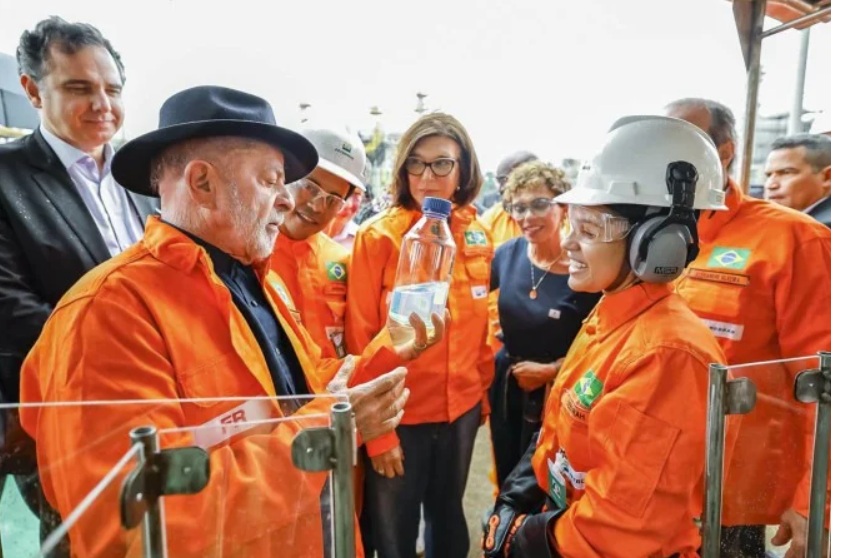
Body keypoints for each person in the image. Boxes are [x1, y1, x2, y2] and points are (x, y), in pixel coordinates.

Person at [19, 85, 445, 557]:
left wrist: (392, 347)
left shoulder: (258, 281)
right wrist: (332, 431)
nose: (286, 201)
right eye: (270, 180)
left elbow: (309, 388)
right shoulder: (108, 313)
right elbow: (135, 524)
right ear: (202, 183)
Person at [481, 115, 728, 558]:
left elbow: (620, 526)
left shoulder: (667, 355)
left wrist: (527, 539)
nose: (569, 244)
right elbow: (563, 430)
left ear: (659, 244)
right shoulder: (612, 314)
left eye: (590, 231)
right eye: (573, 225)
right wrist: (524, 489)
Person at [0, 16, 157, 548]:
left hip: (152, 407)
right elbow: (9, 305)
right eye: (78, 88)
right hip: (54, 412)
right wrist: (121, 356)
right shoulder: (6, 177)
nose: (102, 105)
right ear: (32, 91)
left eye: (112, 89)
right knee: (78, 541)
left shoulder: (144, 178)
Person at [666, 98, 831, 557]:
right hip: (649, 481)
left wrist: (815, 502)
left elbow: (824, 380)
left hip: (731, 498)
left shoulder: (794, 239)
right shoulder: (639, 231)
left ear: (723, 152)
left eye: (678, 138)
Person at [345, 112, 494, 558]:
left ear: (463, 169)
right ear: (403, 169)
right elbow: (360, 340)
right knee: (395, 533)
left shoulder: (478, 235)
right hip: (399, 415)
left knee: (449, 523)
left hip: (460, 413)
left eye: (442, 163)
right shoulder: (379, 237)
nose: (428, 177)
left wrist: (480, 399)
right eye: (416, 163)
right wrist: (379, 435)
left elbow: (480, 329)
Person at [488, 160, 601, 489]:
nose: (527, 216)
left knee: (548, 478)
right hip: (508, 385)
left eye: (539, 204)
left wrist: (551, 370)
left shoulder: (583, 266)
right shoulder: (506, 254)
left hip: (562, 392)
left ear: (563, 207)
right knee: (507, 469)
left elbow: (601, 343)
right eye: (518, 207)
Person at [272, 126, 367, 359]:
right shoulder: (245, 256)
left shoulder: (342, 262)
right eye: (309, 187)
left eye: (333, 200)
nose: (317, 206)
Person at [764, 133, 831, 228]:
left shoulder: (822, 229)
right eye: (768, 175)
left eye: (786, 172)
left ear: (827, 177)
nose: (771, 185)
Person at [480, 151, 539, 249]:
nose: (500, 189)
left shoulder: (559, 217)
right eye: (499, 182)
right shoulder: (492, 217)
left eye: (504, 180)